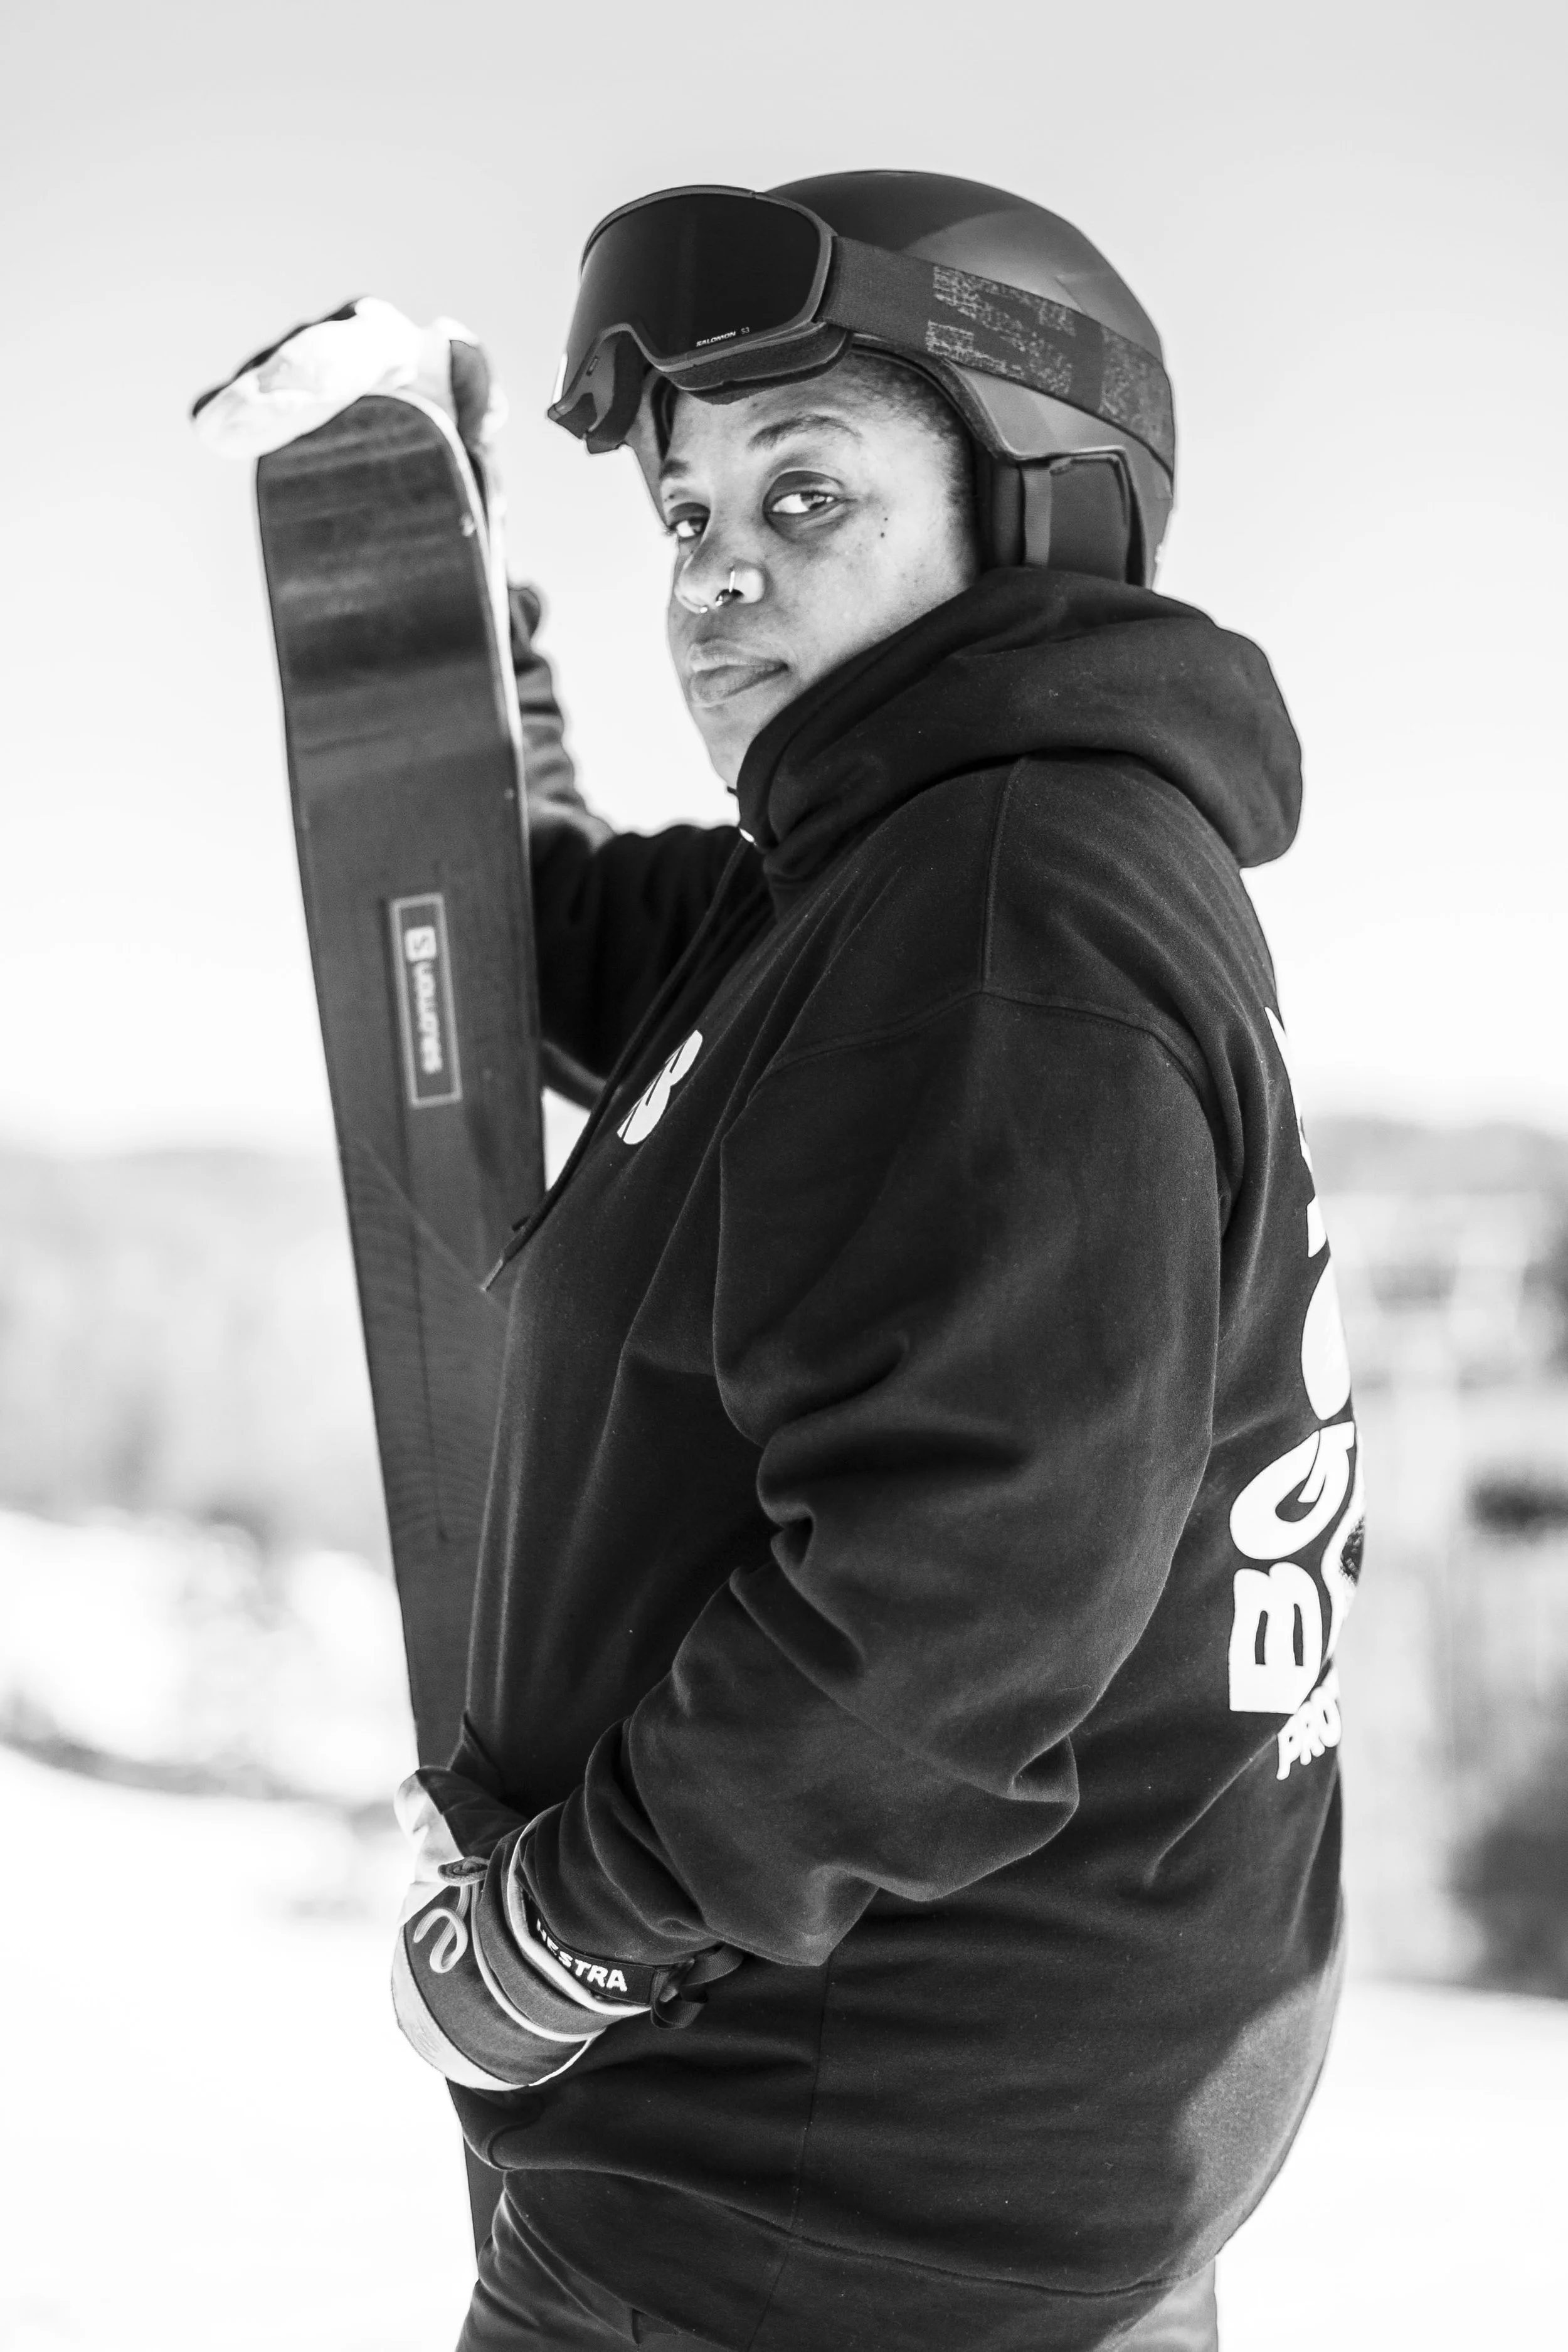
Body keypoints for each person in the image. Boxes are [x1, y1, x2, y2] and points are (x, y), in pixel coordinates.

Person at [392, 173, 1362, 2351]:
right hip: (978, 2159)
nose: (715, 572)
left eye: (803, 489)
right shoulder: (925, 857)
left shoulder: (1003, 919)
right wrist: (469, 689)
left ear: (1026, 507)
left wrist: (563, 1929)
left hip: (823, 2224)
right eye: (682, 515)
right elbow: (613, 969)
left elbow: (954, 1594)